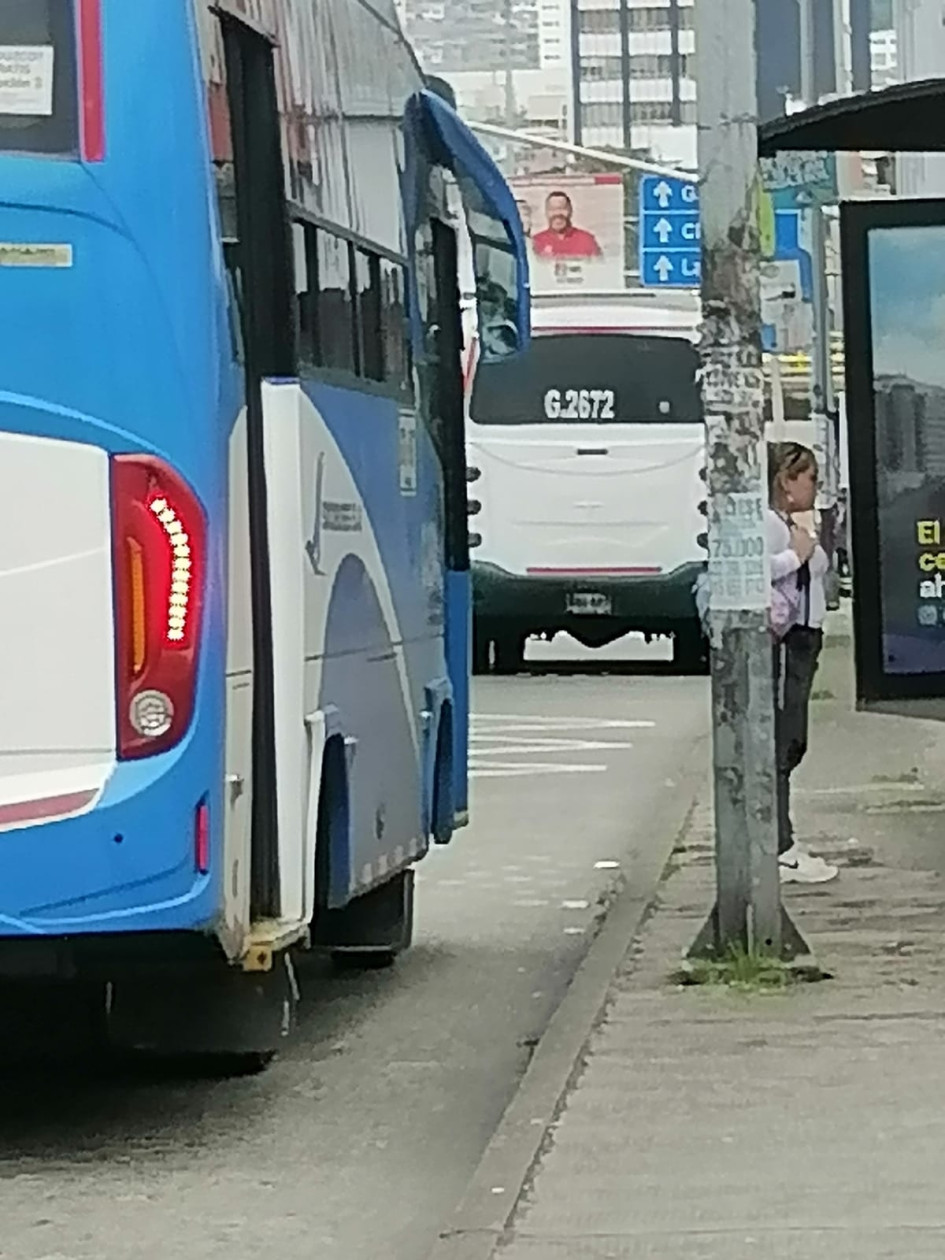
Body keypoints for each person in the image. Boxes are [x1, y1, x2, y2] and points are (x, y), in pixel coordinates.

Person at [768, 441, 839, 884]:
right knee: (784, 741)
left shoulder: (786, 523)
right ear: (787, 481)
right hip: (789, 642)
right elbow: (759, 570)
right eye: (810, 477)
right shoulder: (774, 528)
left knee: (792, 741)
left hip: (802, 640)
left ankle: (781, 840)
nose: (815, 487)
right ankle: (779, 844)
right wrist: (798, 554)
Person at [532, 191, 602, 259]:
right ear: (546, 212)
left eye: (562, 208)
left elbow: (600, 268)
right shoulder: (536, 242)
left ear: (570, 211)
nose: (557, 213)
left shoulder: (587, 240)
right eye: (552, 209)